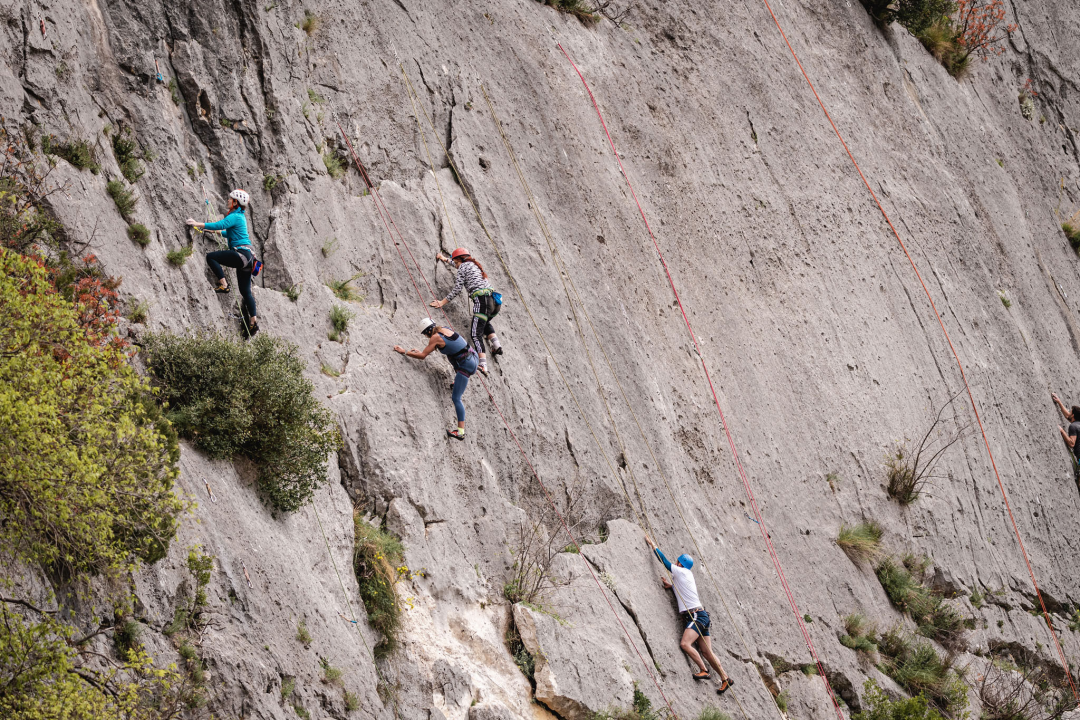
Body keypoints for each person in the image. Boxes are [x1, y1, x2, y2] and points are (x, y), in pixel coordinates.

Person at [644, 533, 734, 695]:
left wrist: (653, 545)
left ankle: (703, 670)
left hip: (695, 617)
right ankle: (725, 678)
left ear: (679, 563)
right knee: (707, 651)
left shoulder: (680, 571)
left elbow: (664, 561)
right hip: (701, 616)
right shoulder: (687, 575)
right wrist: (671, 586)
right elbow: (684, 592)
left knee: (685, 644)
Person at [186, 189, 258, 336]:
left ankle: (224, 285)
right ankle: (253, 323)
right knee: (245, 292)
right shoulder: (240, 217)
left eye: (230, 199)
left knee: (211, 257)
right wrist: (213, 232)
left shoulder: (235, 216)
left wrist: (197, 224)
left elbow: (220, 225)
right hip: (249, 258)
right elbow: (228, 232)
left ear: (236, 202)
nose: (228, 201)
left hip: (241, 254)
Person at [394, 318, 478, 440]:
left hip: (466, 365)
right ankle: (457, 382)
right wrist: (421, 351)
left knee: (456, 398)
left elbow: (423, 356)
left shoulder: (435, 338)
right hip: (473, 357)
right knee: (450, 354)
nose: (426, 337)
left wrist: (405, 351)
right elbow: (450, 346)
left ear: (427, 332)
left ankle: (460, 432)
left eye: (424, 334)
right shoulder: (445, 329)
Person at [430, 247, 502, 375]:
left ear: (459, 259)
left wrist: (442, 302)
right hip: (494, 302)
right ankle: (496, 345)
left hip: (483, 300)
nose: (456, 265)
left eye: (455, 262)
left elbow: (458, 288)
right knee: (483, 323)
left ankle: (483, 365)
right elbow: (457, 265)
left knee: (476, 333)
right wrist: (444, 259)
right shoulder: (473, 265)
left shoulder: (463, 266)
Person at [1052, 392, 1080, 489]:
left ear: (1073, 416)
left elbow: (1071, 443)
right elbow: (1068, 415)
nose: (1069, 413)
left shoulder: (1073, 426)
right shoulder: (1078, 424)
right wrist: (1059, 402)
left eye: (1071, 411)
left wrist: (1061, 431)